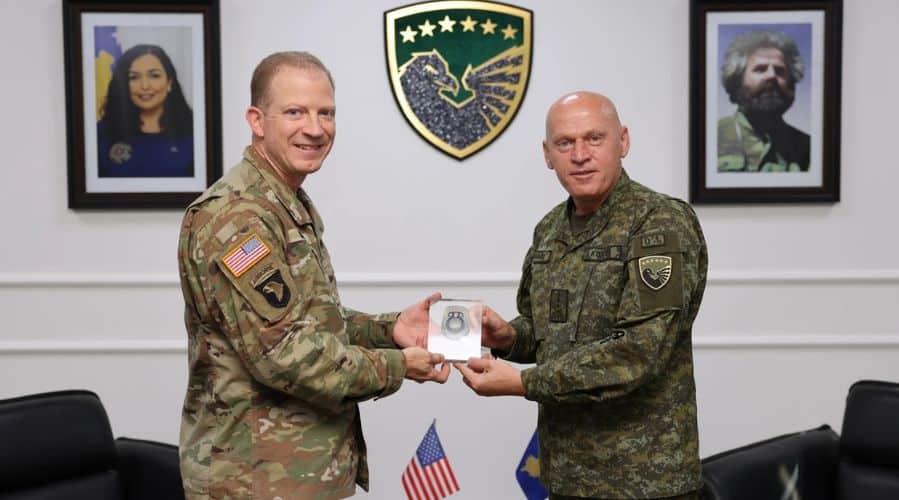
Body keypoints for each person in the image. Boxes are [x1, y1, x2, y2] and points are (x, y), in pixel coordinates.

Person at [177, 51, 450, 500]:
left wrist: (389, 329)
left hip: (297, 475)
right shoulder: (237, 216)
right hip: (253, 481)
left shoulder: (284, 202)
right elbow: (284, 352)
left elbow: (305, 320)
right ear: (257, 120)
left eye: (326, 113)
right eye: (295, 112)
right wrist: (398, 365)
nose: (316, 128)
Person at [455, 92, 708, 499]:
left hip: (643, 480)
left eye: (594, 138)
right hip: (566, 475)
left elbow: (639, 351)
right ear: (547, 154)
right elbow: (546, 332)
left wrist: (524, 382)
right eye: (564, 143)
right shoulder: (550, 230)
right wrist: (508, 337)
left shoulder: (658, 223)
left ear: (623, 141)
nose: (579, 155)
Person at [717, 30, 810, 172]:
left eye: (779, 71)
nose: (771, 76)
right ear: (736, 81)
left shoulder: (808, 148)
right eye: (760, 69)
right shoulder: (711, 137)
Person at [97, 44, 194, 177]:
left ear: (169, 82)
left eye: (154, 75)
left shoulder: (196, 132)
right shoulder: (100, 134)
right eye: (134, 77)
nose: (145, 86)